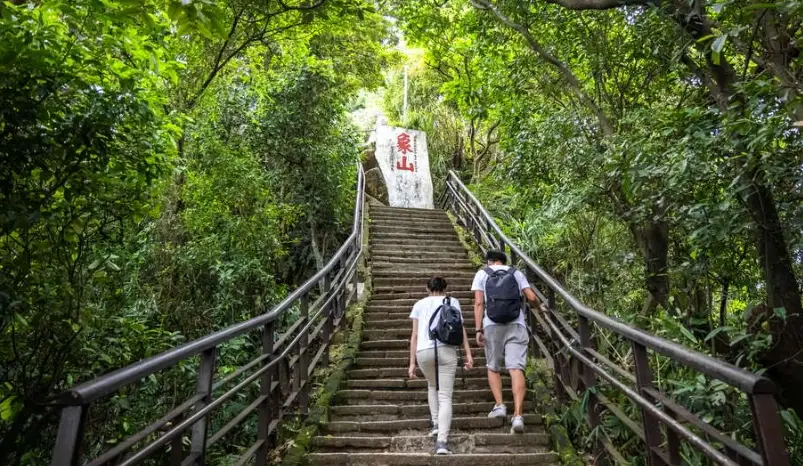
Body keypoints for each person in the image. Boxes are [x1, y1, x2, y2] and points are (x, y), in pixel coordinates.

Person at [471, 250, 540, 433]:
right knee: (516, 368)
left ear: (489, 262)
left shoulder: (482, 274)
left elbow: (479, 303)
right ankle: (518, 416)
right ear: (503, 261)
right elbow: (531, 298)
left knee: (493, 366)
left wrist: (478, 329)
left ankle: (500, 405)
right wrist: (540, 307)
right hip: (516, 324)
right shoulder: (516, 272)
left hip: (492, 325)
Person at [408, 276, 474, 455]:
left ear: (427, 288)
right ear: (446, 288)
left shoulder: (419, 305)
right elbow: (460, 329)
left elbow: (414, 335)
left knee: (432, 385)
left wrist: (412, 362)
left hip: (424, 352)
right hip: (447, 351)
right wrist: (468, 353)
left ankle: (436, 423)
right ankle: (442, 443)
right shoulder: (453, 301)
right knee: (445, 396)